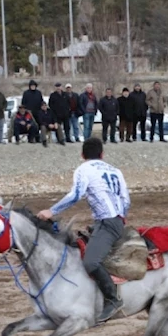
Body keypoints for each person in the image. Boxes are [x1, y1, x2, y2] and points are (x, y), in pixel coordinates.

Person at [37, 138, 130, 324]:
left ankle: (113, 299)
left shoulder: (84, 169)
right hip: (115, 219)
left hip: (107, 222)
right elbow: (126, 199)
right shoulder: (115, 171)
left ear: (82, 155)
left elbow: (75, 195)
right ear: (102, 155)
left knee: (90, 262)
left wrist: (51, 211)